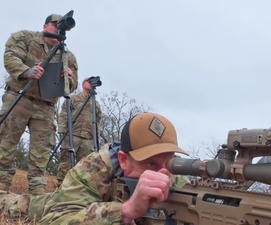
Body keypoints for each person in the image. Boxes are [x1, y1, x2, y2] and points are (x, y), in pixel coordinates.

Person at [0, 112, 189, 224]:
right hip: (54, 206)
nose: (162, 174)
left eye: (170, 163)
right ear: (123, 160)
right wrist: (125, 210)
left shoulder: (179, 179)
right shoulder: (93, 169)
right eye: (150, 164)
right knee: (12, 204)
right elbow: (56, 220)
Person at [0, 13, 78, 194]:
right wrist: (26, 71)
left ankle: (37, 193)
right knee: (6, 144)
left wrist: (68, 79)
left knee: (41, 152)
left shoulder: (67, 56)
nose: (58, 29)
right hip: (19, 97)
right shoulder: (24, 37)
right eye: (54, 24)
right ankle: (2, 187)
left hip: (46, 107)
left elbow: (73, 85)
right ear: (45, 26)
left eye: (61, 26)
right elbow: (10, 57)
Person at [56, 77, 102, 186]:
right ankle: (61, 186)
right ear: (83, 84)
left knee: (84, 166)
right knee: (66, 163)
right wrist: (62, 130)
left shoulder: (96, 104)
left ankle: (78, 188)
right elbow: (63, 114)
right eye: (89, 81)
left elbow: (98, 121)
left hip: (88, 139)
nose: (91, 83)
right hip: (72, 135)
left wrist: (96, 138)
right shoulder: (73, 98)